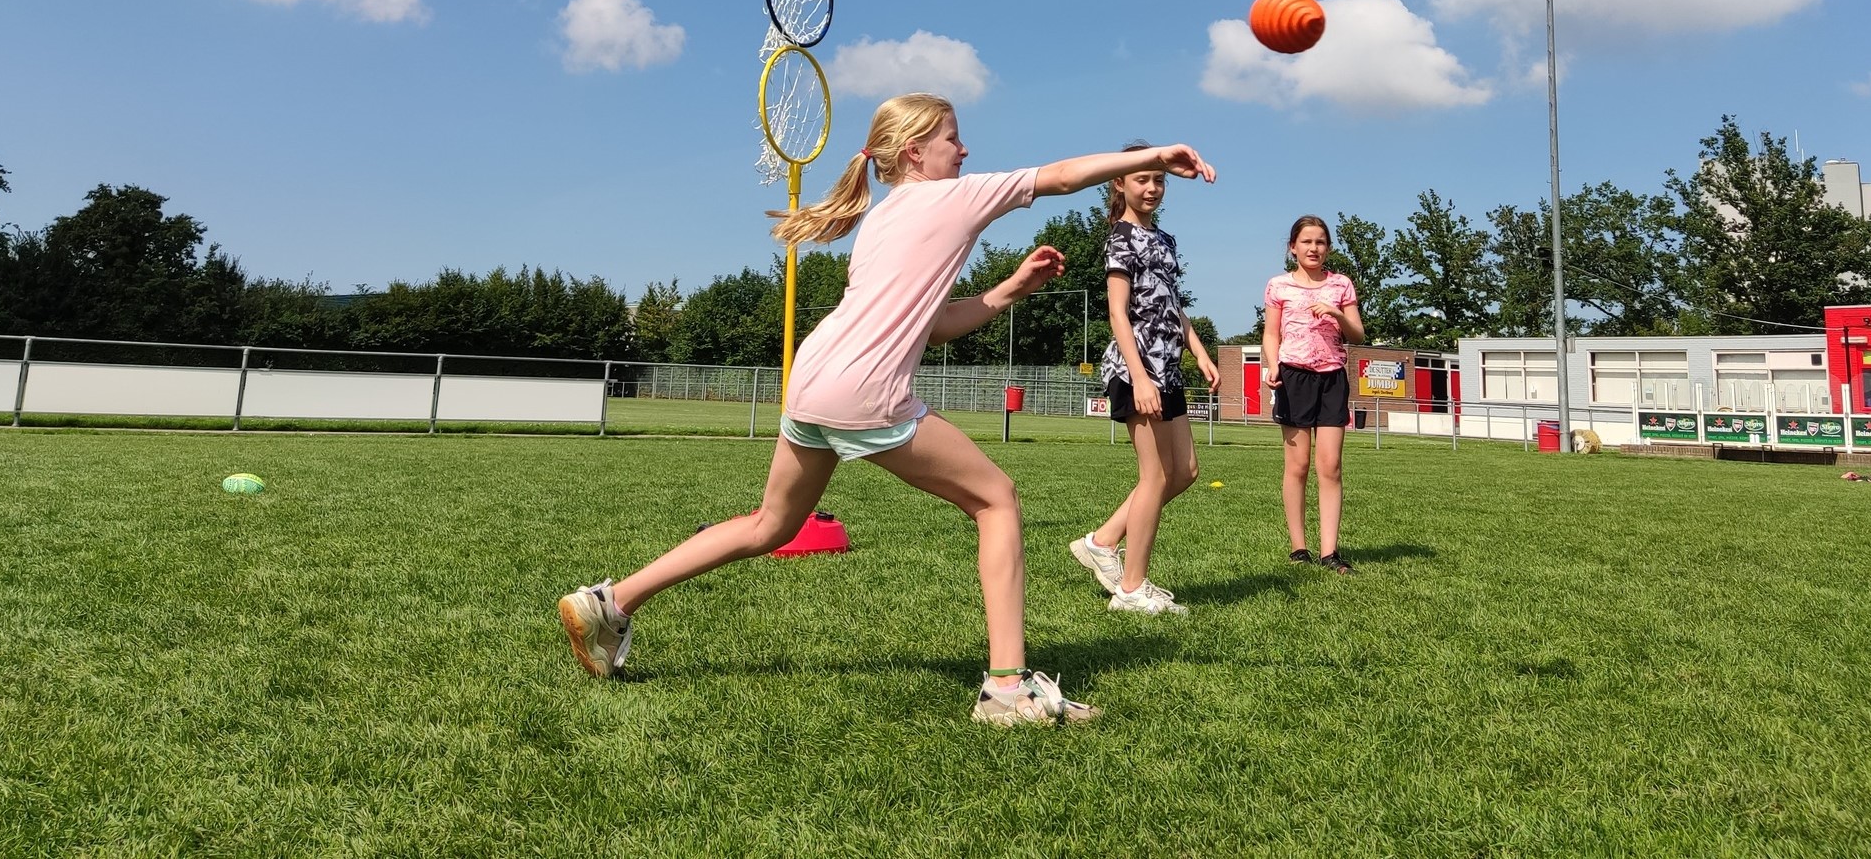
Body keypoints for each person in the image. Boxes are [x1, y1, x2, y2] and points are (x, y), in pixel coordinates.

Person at [557, 93, 1216, 725]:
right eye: (952, 137)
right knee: (997, 499)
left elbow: (931, 325)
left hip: (813, 379)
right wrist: (1157, 153)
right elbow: (1063, 176)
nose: (964, 148)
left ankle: (611, 600)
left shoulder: (884, 220)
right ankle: (1009, 689)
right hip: (863, 388)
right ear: (913, 152)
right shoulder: (948, 195)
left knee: (770, 525)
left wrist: (1009, 288)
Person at [1069, 146, 1219, 615]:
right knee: (1154, 476)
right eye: (1141, 180)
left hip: (1169, 369)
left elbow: (1172, 305)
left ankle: (1103, 540)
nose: (1151, 188)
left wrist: (1199, 352)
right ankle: (1132, 589)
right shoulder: (1121, 238)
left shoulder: (1165, 241)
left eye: (1158, 180)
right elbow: (1117, 312)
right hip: (1138, 371)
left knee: (1185, 472)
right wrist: (1140, 378)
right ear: (1120, 183)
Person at [1262, 215, 1364, 573]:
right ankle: (1298, 547)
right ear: (1293, 247)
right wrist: (1272, 364)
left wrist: (1337, 312)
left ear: (1328, 248)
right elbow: (1271, 334)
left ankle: (1329, 552)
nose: (1313, 248)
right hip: (1293, 377)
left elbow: (1358, 335)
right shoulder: (1278, 286)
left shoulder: (1341, 285)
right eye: (1306, 242)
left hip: (1332, 378)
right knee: (1298, 465)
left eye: (1320, 242)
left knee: (1330, 466)